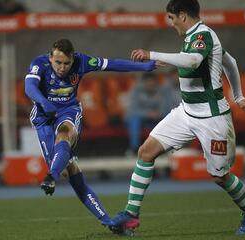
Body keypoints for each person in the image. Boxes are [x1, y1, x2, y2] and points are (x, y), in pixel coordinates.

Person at [108, 0, 245, 236]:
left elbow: (193, 60)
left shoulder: (203, 35)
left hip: (213, 119)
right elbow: (229, 62)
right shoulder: (194, 37)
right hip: (186, 112)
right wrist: (239, 96)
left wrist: (152, 54)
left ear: (182, 15)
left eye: (171, 18)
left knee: (219, 177)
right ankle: (130, 215)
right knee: (145, 152)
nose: (170, 23)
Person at [24, 38, 156, 227]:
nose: (62, 67)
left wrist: (144, 68)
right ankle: (105, 218)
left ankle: (51, 177)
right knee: (70, 172)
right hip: (43, 118)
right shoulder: (39, 64)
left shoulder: (82, 61)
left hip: (68, 111)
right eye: (58, 62)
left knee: (64, 135)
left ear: (72, 59)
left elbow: (112, 64)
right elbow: (29, 87)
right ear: (50, 58)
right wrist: (45, 103)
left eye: (66, 63)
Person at [125, 73, 163, 155]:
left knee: (167, 119)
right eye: (148, 83)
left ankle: (164, 148)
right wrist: (148, 114)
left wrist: (158, 113)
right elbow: (133, 110)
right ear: (144, 82)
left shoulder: (160, 91)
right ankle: (134, 148)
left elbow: (166, 107)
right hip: (138, 119)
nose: (150, 85)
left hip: (154, 119)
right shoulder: (136, 91)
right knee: (135, 119)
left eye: (152, 83)